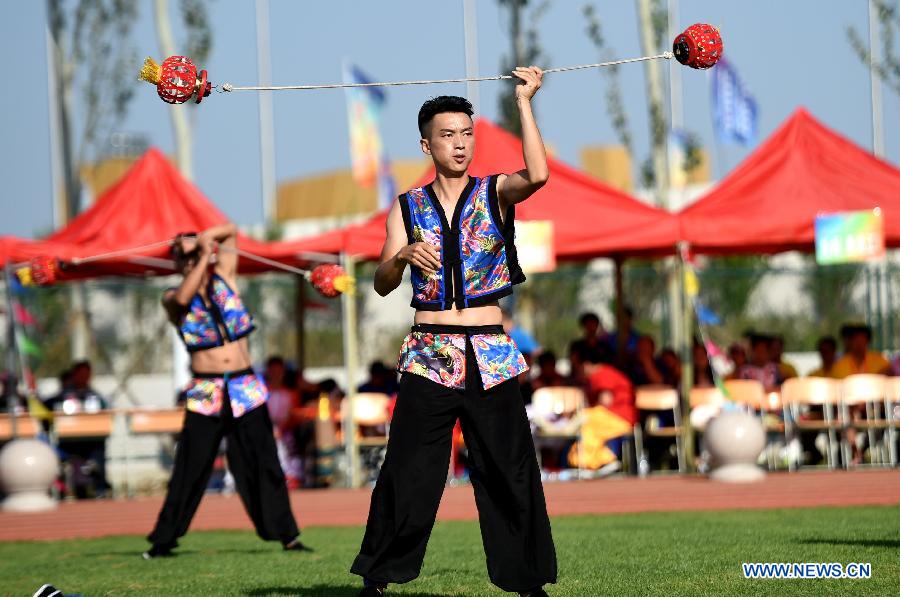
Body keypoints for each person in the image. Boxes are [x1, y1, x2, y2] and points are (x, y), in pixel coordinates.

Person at [351, 77, 556, 597]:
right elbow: (380, 283)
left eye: (467, 133)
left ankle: (527, 581)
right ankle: (378, 577)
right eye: (448, 135)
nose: (460, 143)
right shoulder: (407, 205)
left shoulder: (495, 191)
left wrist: (523, 103)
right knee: (410, 470)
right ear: (427, 144)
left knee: (509, 470)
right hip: (430, 354)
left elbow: (538, 173)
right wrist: (399, 257)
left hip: (489, 351)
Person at [144, 224, 310, 559]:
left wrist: (205, 240)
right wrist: (202, 254)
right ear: (178, 263)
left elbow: (230, 233)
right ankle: (163, 540)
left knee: (264, 463)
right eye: (186, 257)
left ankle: (287, 535)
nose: (193, 261)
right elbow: (184, 298)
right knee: (192, 465)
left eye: (196, 255)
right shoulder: (172, 298)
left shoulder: (225, 276)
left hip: (245, 385)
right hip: (206, 389)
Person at [45, 361, 110, 498]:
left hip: (91, 441)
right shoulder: (63, 395)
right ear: (74, 375)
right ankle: (63, 488)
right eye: (81, 374)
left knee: (99, 450)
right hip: (68, 441)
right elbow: (47, 407)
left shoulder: (94, 395)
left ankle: (100, 489)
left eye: (87, 374)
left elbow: (105, 410)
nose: (84, 377)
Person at [832, 324, 890, 465]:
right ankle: (855, 453)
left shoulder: (880, 361)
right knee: (844, 417)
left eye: (862, 340)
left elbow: (888, 384)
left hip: (878, 408)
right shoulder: (840, 365)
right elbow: (839, 393)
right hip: (852, 409)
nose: (859, 344)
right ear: (849, 342)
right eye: (855, 340)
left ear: (867, 341)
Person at [265, 356, 303, 488]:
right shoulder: (261, 394)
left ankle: (288, 474)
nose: (275, 375)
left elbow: (295, 415)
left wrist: (282, 428)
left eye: (278, 371)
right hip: (266, 434)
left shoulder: (290, 394)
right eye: (273, 371)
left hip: (286, 436)